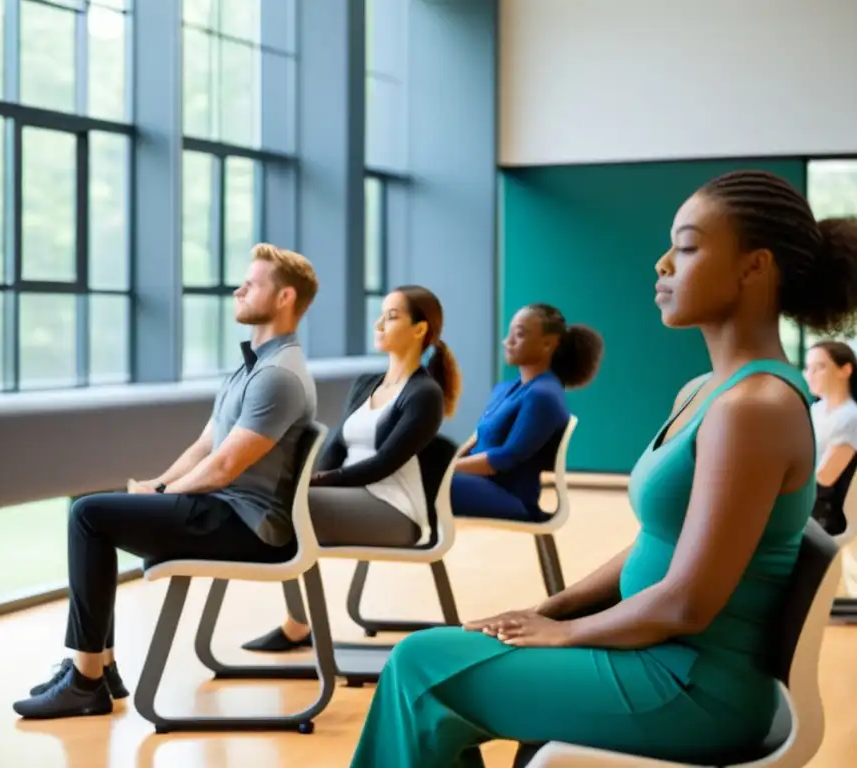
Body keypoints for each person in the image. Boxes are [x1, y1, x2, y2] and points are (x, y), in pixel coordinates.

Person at [349, 170, 857, 767]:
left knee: (422, 668)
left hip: (690, 685)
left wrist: (566, 632)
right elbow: (658, 543)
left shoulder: (755, 407)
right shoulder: (705, 391)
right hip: (655, 655)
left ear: (754, 268)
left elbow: (686, 605)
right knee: (441, 659)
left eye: (688, 247)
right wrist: (550, 608)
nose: (663, 263)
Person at [12, 243, 320, 720]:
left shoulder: (279, 375)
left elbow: (223, 468)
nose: (238, 289)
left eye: (251, 283)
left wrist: (167, 495)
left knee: (89, 514)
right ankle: (100, 667)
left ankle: (86, 679)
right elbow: (204, 446)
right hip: (227, 509)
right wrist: (156, 488)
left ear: (284, 299)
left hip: (245, 526)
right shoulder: (254, 365)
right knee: (95, 509)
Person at [241, 285, 462, 653]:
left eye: (392, 317)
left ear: (420, 329)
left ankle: (295, 622)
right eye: (381, 314)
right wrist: (308, 476)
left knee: (291, 504)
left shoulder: (425, 394)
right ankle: (297, 621)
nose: (379, 323)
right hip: (354, 497)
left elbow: (383, 464)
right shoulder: (366, 384)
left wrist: (318, 482)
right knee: (281, 496)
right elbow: (335, 450)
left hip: (393, 511)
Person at [451, 304, 603, 522]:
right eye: (509, 333)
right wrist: (443, 465)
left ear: (549, 344)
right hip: (478, 485)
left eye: (519, 334)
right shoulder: (505, 388)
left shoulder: (543, 396)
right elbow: (476, 439)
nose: (508, 341)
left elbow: (506, 458)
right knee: (409, 479)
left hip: (511, 497)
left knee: (420, 484)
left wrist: (445, 472)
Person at [804, 339, 857, 536]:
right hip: (804, 503)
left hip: (823, 515)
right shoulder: (814, 411)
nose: (810, 375)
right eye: (808, 367)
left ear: (845, 370)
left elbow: (825, 478)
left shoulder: (851, 417)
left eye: (820, 367)